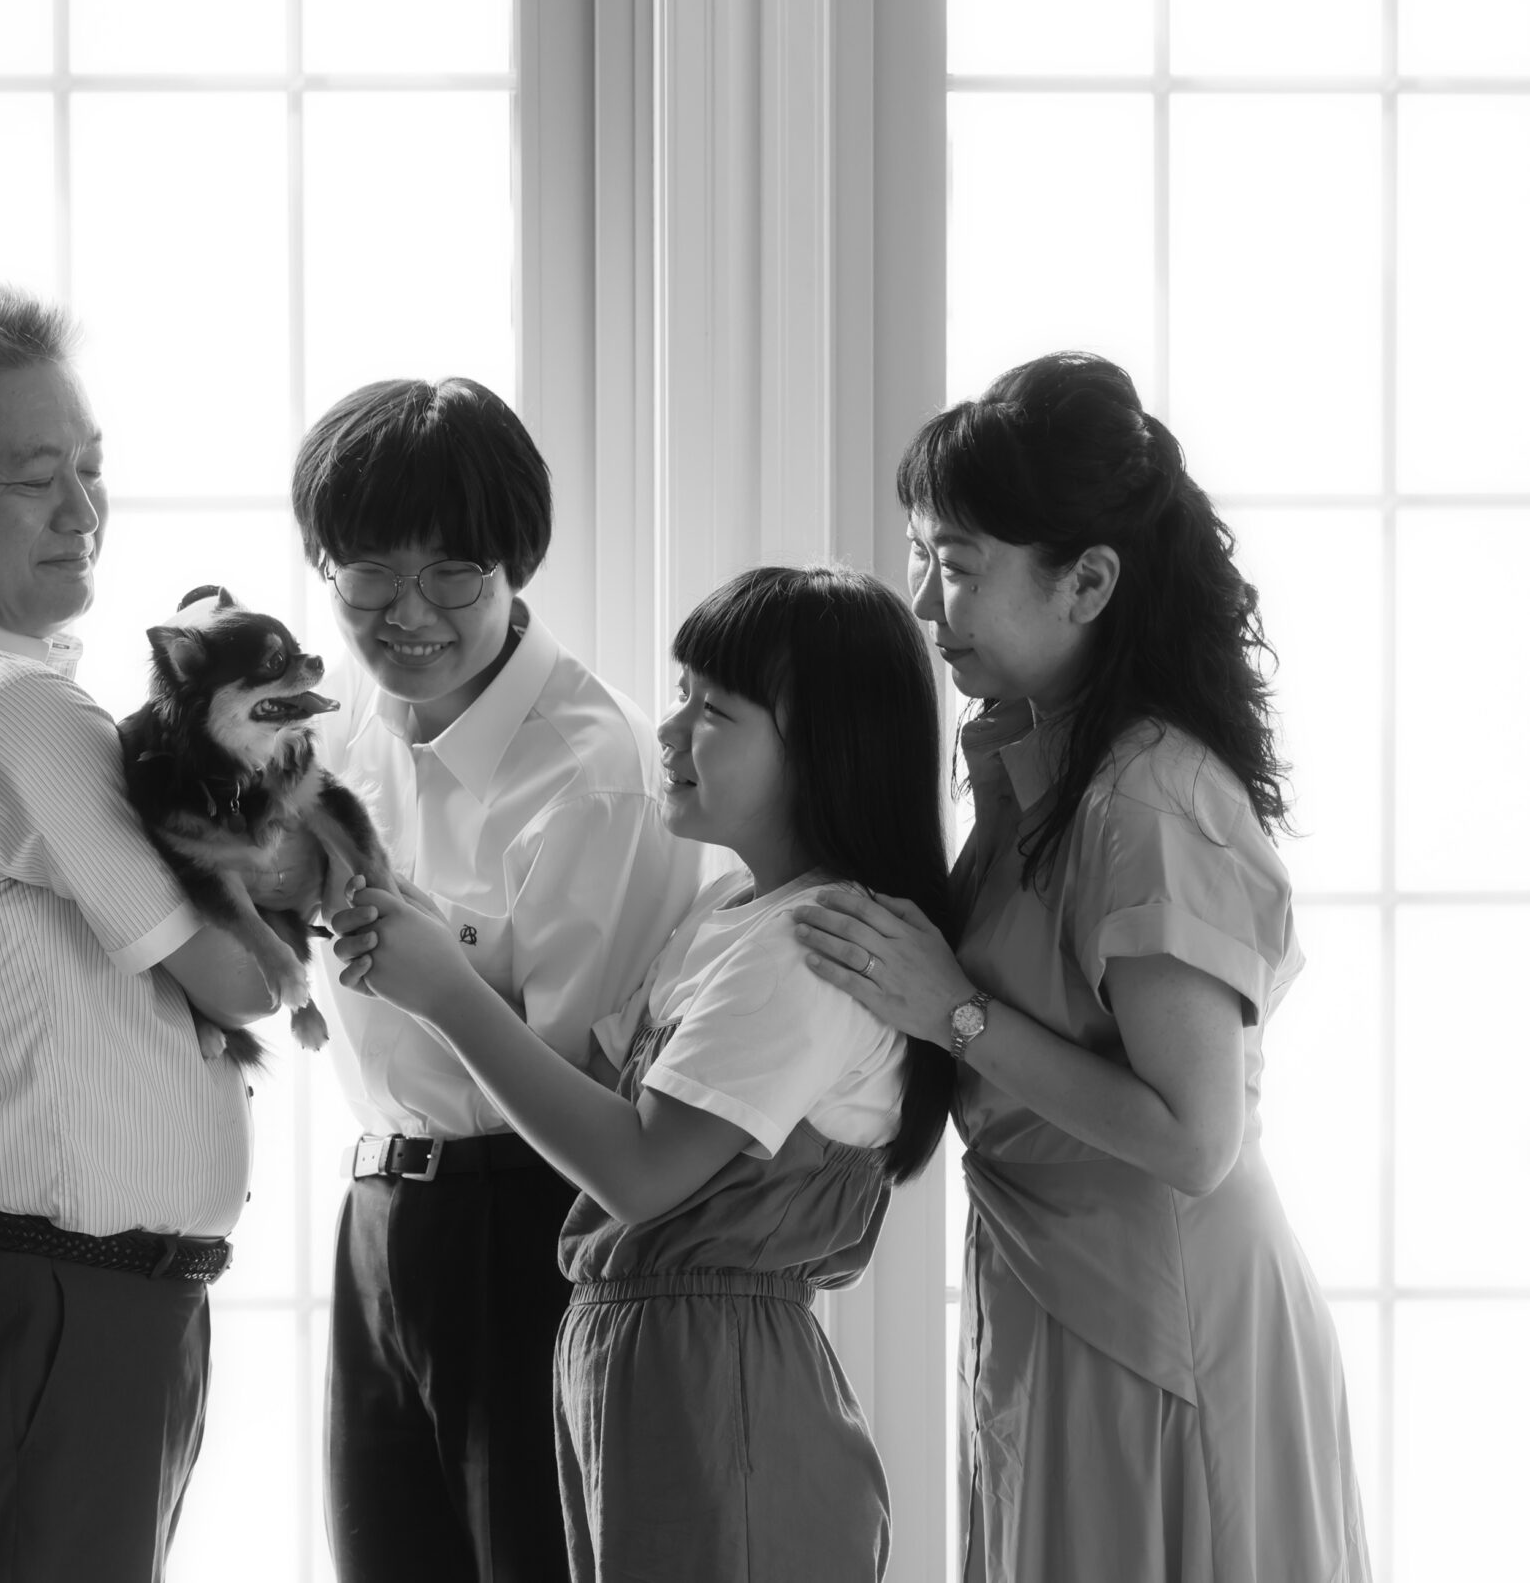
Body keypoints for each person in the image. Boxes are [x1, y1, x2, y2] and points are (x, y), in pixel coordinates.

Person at [795, 352, 1371, 1583]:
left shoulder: (1147, 800)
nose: (922, 601)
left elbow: (1194, 1139)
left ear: (1089, 581)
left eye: (957, 566)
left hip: (1160, 1324)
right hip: (1058, 1292)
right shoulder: (1042, 768)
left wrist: (952, 1012)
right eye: (921, 557)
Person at [334, 564, 960, 1583]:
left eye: (713, 711)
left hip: (717, 1390)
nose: (668, 733)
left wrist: (444, 990)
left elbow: (638, 1170)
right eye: (681, 695)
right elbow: (584, 1080)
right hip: (645, 1371)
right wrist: (429, 928)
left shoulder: (809, 944)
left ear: (825, 747)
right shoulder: (728, 916)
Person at [0, 282, 280, 1582]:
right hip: (52, 1305)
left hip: (47, 1297)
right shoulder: (0, 708)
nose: (82, 511)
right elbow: (246, 978)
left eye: (91, 468)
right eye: (34, 478)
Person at [292, 377, 707, 1583]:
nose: (408, 614)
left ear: (515, 565)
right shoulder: (334, 729)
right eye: (370, 574)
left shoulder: (596, 770)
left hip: (527, 1221)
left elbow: (586, 1087)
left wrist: (441, 974)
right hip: (378, 1208)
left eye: (453, 574)